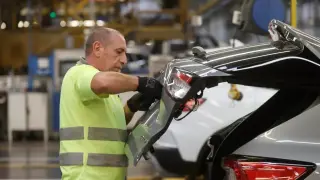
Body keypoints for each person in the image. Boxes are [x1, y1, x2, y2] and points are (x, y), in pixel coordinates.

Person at [59, 27, 163, 180]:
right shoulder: (78, 73)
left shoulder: (109, 93)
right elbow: (102, 82)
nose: (124, 60)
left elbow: (114, 125)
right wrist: (141, 82)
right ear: (97, 48)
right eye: (118, 52)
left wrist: (132, 106)